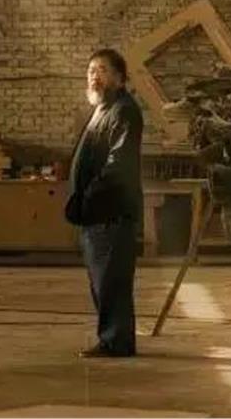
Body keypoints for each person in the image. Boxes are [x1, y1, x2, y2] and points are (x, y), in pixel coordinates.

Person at [65, 48, 143, 358]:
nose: (94, 77)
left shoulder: (124, 111)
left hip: (111, 213)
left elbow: (118, 165)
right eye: (91, 71)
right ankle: (112, 339)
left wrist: (90, 197)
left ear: (120, 78)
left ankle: (116, 342)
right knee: (102, 281)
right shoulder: (103, 108)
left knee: (112, 282)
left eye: (102, 71)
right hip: (96, 215)